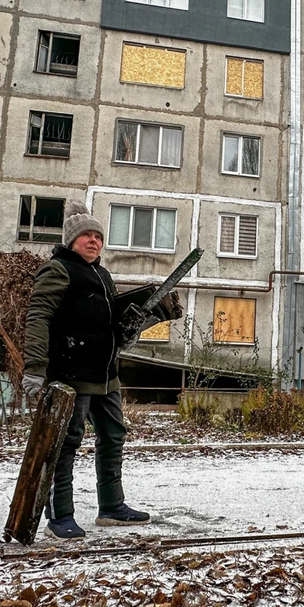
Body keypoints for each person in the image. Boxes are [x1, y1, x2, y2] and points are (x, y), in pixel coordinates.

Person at [22, 200, 182, 539]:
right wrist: (35, 368)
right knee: (66, 443)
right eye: (86, 236)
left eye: (98, 236)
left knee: (113, 435)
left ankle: (111, 507)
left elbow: (111, 324)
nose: (94, 241)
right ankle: (59, 516)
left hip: (106, 374)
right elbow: (38, 318)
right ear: (71, 240)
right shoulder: (58, 269)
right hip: (70, 373)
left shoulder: (103, 275)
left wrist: (145, 316)